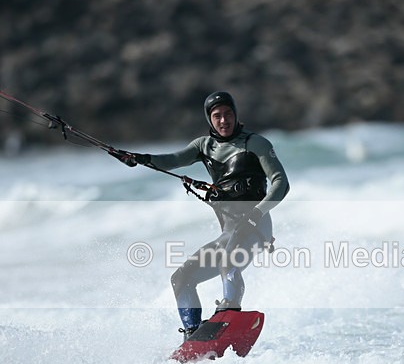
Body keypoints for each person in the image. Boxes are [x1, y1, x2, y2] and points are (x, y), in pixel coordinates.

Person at [114, 91, 289, 340]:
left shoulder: (256, 143)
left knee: (228, 260)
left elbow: (281, 182)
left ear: (236, 114)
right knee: (181, 278)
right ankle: (193, 334)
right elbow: (173, 159)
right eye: (217, 116)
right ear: (210, 120)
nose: (223, 120)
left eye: (228, 114)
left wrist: (256, 213)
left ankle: (231, 310)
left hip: (256, 228)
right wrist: (140, 159)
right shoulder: (203, 146)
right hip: (228, 234)